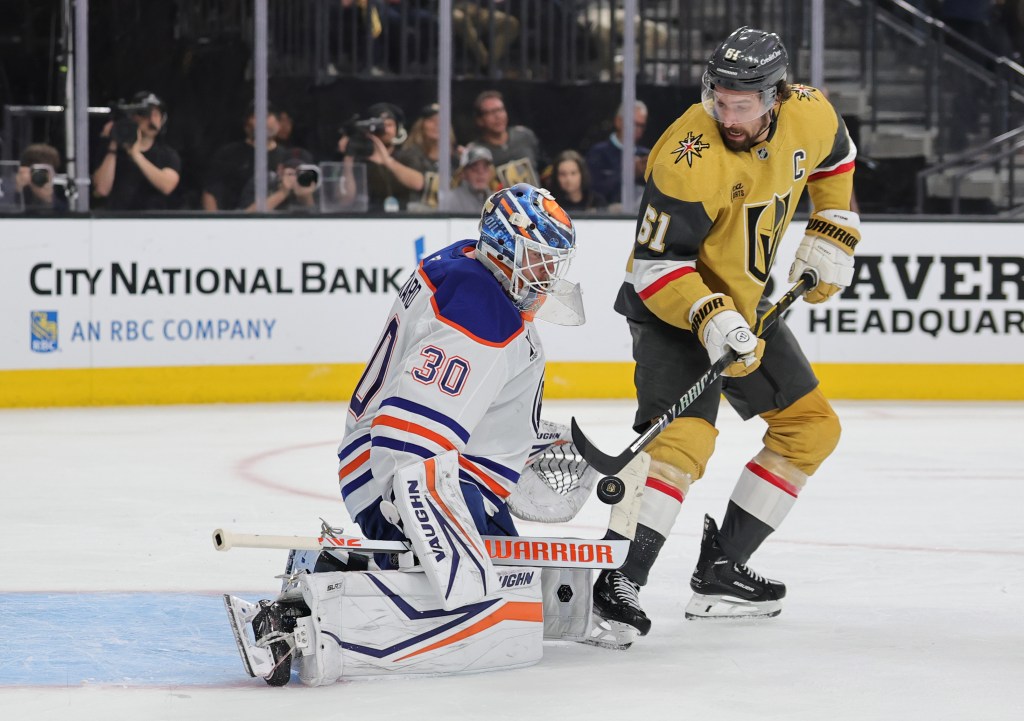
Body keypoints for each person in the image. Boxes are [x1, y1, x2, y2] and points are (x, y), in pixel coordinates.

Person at [589, 26, 860, 648]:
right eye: (718, 98)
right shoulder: (686, 152)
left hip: (747, 302)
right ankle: (617, 583)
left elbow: (838, 155)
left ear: (776, 97)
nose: (727, 114)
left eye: (742, 103)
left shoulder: (809, 111)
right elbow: (655, 267)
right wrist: (711, 318)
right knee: (684, 443)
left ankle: (721, 570)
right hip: (672, 308)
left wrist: (834, 222)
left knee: (812, 429)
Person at [91, 92, 181, 210]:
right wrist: (114, 142)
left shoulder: (167, 154)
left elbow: (167, 185)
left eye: (156, 114)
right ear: (133, 117)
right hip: (116, 220)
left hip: (154, 223)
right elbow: (102, 189)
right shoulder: (111, 151)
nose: (151, 120)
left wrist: (135, 154)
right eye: (145, 114)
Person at [202, 102, 289, 211]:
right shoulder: (229, 154)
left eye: (267, 116)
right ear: (246, 125)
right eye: (256, 116)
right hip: (233, 221)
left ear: (278, 123)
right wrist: (213, 224)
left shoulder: (286, 157)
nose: (262, 122)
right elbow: (210, 193)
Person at [338, 101, 422, 211]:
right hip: (364, 218)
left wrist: (388, 161)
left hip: (402, 218)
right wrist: (348, 159)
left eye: (389, 125)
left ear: (397, 129)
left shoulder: (407, 155)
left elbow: (418, 183)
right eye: (380, 125)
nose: (385, 130)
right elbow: (345, 199)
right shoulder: (358, 158)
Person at [394, 102, 460, 210]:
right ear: (421, 125)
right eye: (431, 120)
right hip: (417, 216)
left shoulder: (456, 159)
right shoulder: (408, 156)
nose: (436, 125)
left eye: (441, 121)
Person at [472, 90, 545, 188]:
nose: (497, 116)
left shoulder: (525, 135)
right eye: (491, 112)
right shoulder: (477, 151)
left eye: (500, 110)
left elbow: (543, 167)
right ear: (480, 120)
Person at [585, 101, 649, 210]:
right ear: (618, 121)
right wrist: (627, 173)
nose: (638, 129)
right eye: (634, 124)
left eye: (641, 125)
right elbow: (592, 190)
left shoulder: (646, 155)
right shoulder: (598, 153)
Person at [14, 143, 69, 214]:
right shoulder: (16, 186)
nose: (39, 175)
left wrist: (49, 200)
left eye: (43, 171)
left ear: (52, 173)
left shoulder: (60, 188)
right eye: (35, 171)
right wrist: (16, 190)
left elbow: (67, 214)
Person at [448, 143, 497, 213]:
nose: (480, 172)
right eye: (474, 167)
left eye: (485, 167)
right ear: (463, 173)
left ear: (491, 173)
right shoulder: (451, 200)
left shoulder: (497, 200)